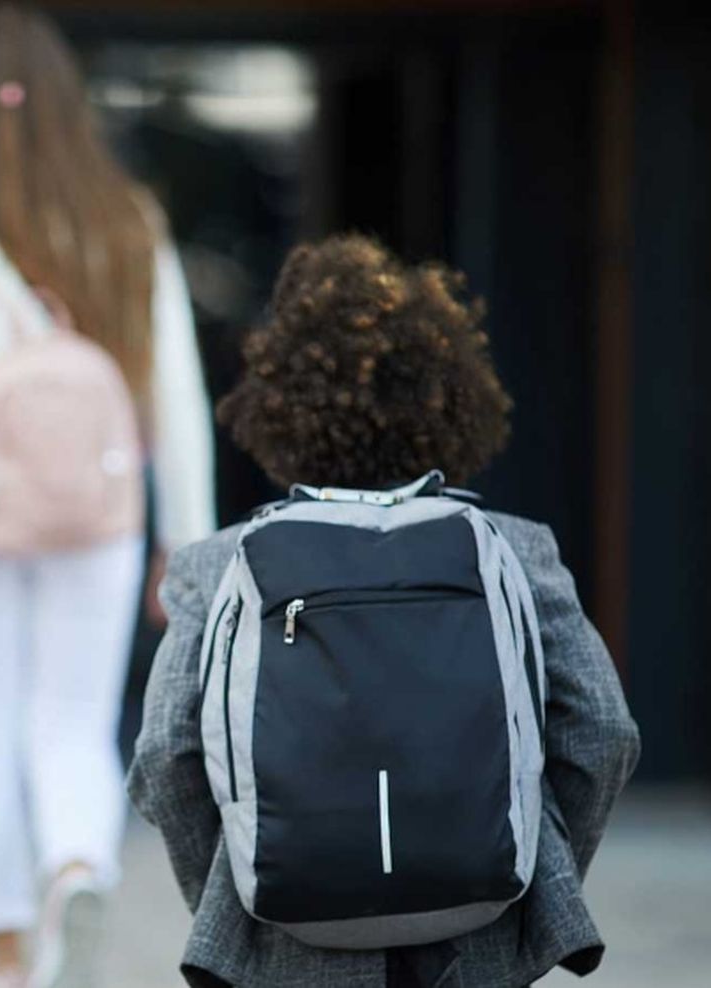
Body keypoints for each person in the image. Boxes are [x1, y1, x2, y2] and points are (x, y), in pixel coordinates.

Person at [127, 234, 641, 988]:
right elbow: (602, 730)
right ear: (457, 400)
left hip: (288, 943)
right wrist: (522, 865)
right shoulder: (517, 550)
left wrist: (242, 890)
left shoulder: (220, 563)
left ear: (277, 405)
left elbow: (163, 758)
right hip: (479, 936)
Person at [0, 5, 216, 985]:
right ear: (71, 105)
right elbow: (175, 394)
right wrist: (185, 543)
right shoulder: (127, 218)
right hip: (99, 498)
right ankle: (76, 864)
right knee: (74, 714)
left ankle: (8, 955)